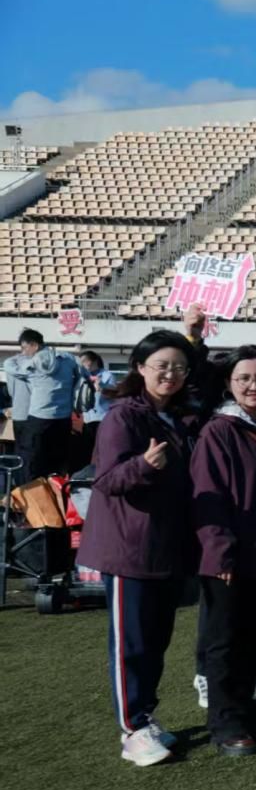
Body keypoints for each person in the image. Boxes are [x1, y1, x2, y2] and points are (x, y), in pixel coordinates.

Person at [76, 331, 197, 767]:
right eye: (162, 365)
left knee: (156, 641)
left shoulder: (177, 416)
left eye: (179, 367)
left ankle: (145, 716)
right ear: (140, 368)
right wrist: (142, 466)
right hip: (129, 549)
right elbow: (106, 480)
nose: (170, 374)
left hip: (165, 548)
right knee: (131, 643)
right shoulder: (123, 416)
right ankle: (131, 728)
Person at [190, 345, 256, 756]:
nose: (254, 385)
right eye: (244, 378)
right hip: (230, 555)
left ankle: (247, 710)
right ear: (229, 383)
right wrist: (220, 550)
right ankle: (225, 722)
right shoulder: (220, 430)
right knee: (224, 641)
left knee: (252, 639)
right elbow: (208, 494)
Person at [4, 328, 80, 482]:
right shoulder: (67, 359)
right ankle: (56, 493)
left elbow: (9, 366)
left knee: (31, 462)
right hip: (63, 418)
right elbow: (81, 375)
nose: (24, 352)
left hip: (39, 418)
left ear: (34, 345)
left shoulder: (30, 364)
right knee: (57, 463)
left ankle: (33, 494)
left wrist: (20, 357)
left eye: (25, 348)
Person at [71, 349, 116, 472]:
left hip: (102, 418)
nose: (83, 364)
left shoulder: (107, 375)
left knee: (101, 449)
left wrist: (101, 387)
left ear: (94, 361)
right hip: (87, 419)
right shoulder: (83, 376)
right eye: (81, 362)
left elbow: (114, 393)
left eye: (85, 361)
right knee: (86, 449)